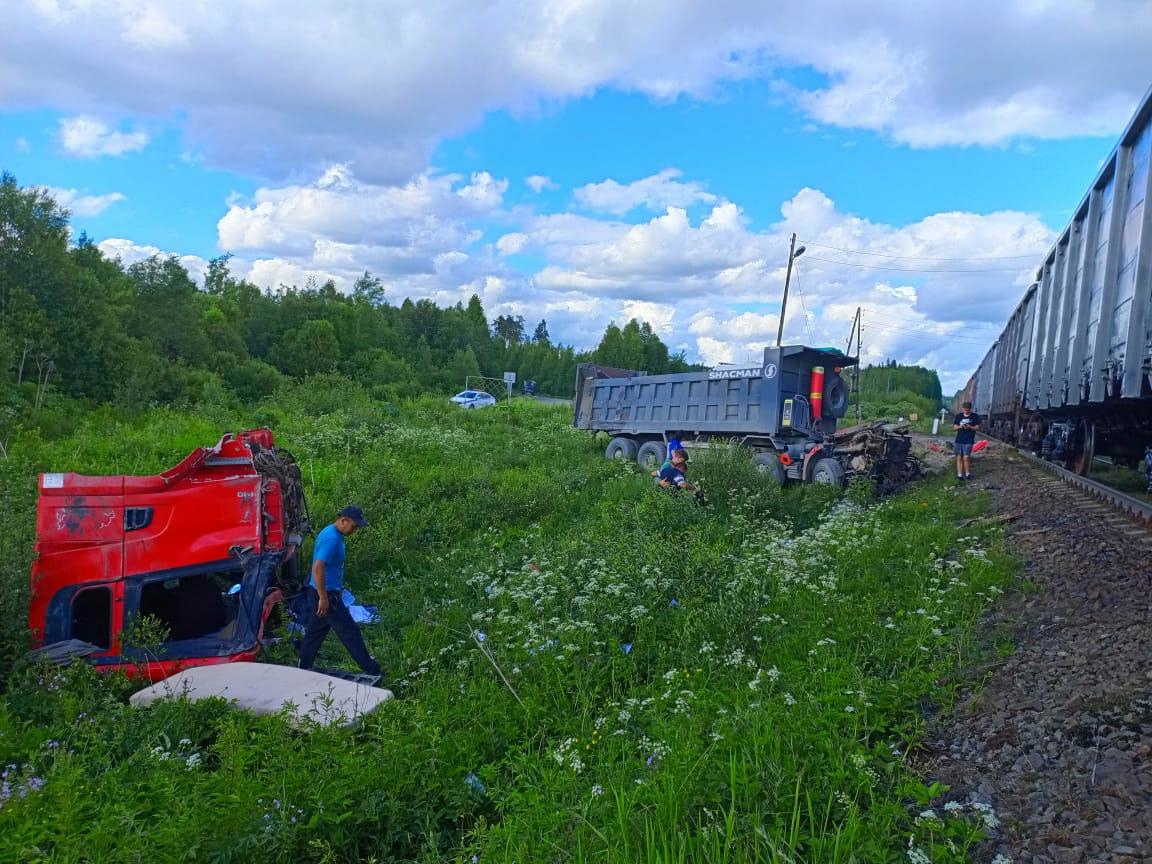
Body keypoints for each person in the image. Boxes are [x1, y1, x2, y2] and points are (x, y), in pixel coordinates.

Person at [298, 505, 382, 678]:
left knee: (316, 631)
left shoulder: (330, 532)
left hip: (321, 592)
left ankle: (303, 666)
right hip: (326, 595)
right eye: (354, 526)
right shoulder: (332, 539)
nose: (355, 529)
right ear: (343, 520)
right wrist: (323, 597)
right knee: (349, 632)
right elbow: (318, 567)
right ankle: (372, 670)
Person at [953, 402, 982, 481]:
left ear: (970, 409)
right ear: (963, 409)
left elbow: (978, 428)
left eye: (968, 410)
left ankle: (968, 474)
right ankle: (959, 475)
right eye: (965, 410)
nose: (966, 411)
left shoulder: (975, 416)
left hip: (969, 440)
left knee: (966, 457)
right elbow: (955, 427)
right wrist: (960, 426)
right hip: (959, 440)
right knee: (959, 457)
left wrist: (970, 427)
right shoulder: (959, 416)